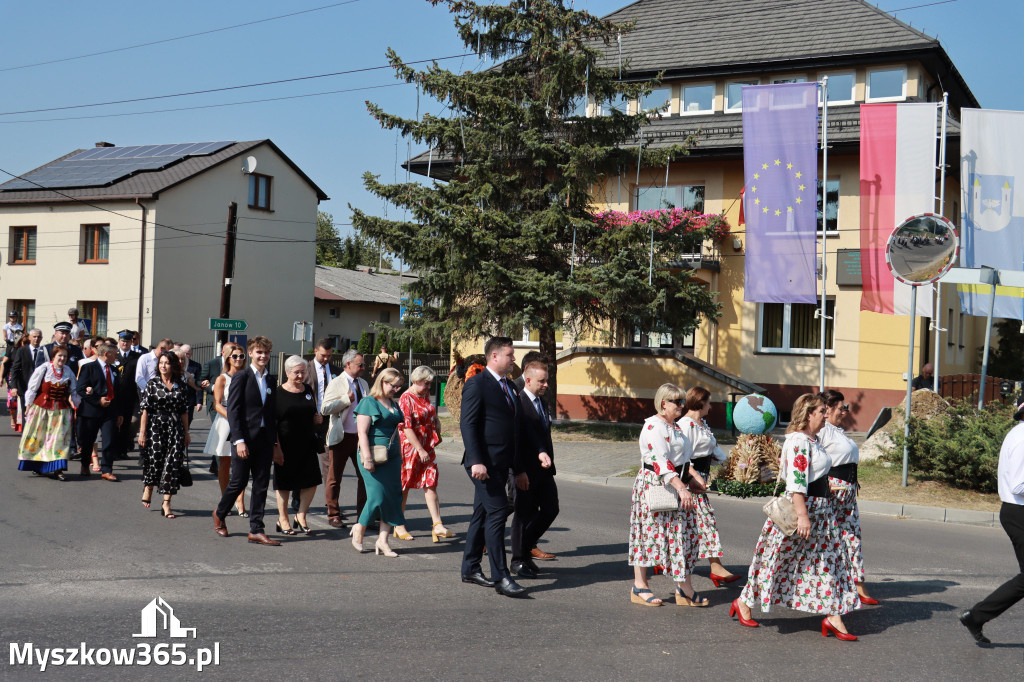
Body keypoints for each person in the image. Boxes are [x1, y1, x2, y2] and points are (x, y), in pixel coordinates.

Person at [730, 393, 860, 640]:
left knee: (829, 561)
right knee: (776, 559)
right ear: (808, 414)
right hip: (803, 510)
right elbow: (797, 483)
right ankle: (744, 601)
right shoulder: (799, 441)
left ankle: (834, 616)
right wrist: (803, 516)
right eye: (822, 411)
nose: (826, 415)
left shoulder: (814, 440)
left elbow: (817, 474)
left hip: (821, 510)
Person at [460, 336, 528, 598]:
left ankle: (469, 567)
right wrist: (476, 460)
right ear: (495, 356)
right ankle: (501, 577)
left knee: (482, 513)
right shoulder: (477, 384)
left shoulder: (509, 386)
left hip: (503, 464)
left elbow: (515, 430)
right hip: (482, 464)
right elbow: (468, 424)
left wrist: (519, 468)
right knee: (498, 511)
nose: (513, 359)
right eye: (510, 355)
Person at [628, 382, 707, 608]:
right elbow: (660, 463)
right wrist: (682, 487)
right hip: (656, 485)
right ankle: (639, 586)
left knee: (684, 536)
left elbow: (682, 460)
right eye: (677, 402)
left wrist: (692, 480)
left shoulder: (675, 426)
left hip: (676, 483)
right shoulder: (654, 427)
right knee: (647, 536)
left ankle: (684, 588)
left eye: (683, 401)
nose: (682, 405)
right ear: (664, 403)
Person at [959, 401, 1024, 645]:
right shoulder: (1022, 438)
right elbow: (1018, 484)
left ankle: (976, 616)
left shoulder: (1018, 433)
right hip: (1019, 513)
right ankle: (976, 616)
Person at [213, 336, 280, 546]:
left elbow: (271, 414)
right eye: (259, 352)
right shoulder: (241, 377)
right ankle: (219, 513)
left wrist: (275, 444)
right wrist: (239, 440)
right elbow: (232, 411)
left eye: (266, 353)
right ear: (250, 353)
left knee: (261, 484)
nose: (263, 356)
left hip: (264, 439)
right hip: (244, 439)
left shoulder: (270, 380)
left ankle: (256, 529)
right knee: (239, 481)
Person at [818, 389, 878, 605]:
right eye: (841, 408)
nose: (844, 412)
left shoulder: (837, 431)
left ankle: (858, 585)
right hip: (833, 492)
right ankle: (827, 586)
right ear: (827, 410)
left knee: (852, 538)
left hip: (848, 492)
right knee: (829, 539)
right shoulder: (822, 432)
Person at [677, 387, 739, 585]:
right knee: (703, 523)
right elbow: (682, 456)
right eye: (709, 403)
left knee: (693, 526)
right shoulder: (685, 425)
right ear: (700, 402)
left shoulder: (701, 424)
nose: (711, 407)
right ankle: (715, 567)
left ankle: (667, 559)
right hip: (690, 480)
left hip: (702, 478)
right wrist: (692, 477)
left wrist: (733, 465)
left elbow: (714, 450)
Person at [510, 360, 559, 578]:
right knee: (523, 515)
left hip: (544, 469)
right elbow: (516, 440)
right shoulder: (517, 402)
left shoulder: (542, 402)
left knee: (551, 509)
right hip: (525, 470)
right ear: (528, 380)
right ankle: (519, 560)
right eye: (542, 381)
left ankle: (525, 547)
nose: (546, 384)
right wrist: (518, 470)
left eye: (547, 380)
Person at [350, 367, 406, 557]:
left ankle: (383, 540)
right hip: (372, 456)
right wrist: (367, 458)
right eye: (392, 385)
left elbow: (396, 430)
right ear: (382, 381)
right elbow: (362, 433)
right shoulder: (368, 402)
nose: (395, 389)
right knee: (377, 497)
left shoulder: (393, 403)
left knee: (392, 498)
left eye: (398, 387)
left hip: (392, 458)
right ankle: (360, 527)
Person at [393, 365, 452, 543]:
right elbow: (406, 427)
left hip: (427, 445)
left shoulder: (424, 395)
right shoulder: (406, 398)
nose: (428, 387)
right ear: (415, 380)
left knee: (431, 482)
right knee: (405, 485)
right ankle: (399, 524)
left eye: (429, 384)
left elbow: (429, 414)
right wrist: (419, 448)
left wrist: (437, 426)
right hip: (411, 446)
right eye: (425, 383)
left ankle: (437, 525)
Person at [271, 356, 324, 535]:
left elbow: (312, 412)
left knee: (312, 481)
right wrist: (276, 447)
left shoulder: (307, 389)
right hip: (285, 445)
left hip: (306, 443)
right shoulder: (278, 393)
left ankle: (301, 515)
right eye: (297, 372)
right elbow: (273, 423)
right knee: (284, 483)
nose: (301, 375)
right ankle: (283, 518)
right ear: (287, 373)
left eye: (303, 372)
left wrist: (318, 419)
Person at [137, 351, 191, 518]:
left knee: (172, 464)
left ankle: (166, 503)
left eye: (167, 362)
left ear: (173, 365)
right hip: (156, 426)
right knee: (155, 459)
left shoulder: (181, 385)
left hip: (175, 428)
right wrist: (142, 433)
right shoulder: (152, 384)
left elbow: (184, 411)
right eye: (161, 362)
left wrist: (187, 432)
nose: (163, 365)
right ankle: (150, 486)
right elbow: (145, 410)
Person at [321, 349, 369, 528]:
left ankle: (364, 515)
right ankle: (333, 514)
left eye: (363, 364)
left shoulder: (363, 383)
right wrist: (345, 400)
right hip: (341, 437)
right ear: (348, 364)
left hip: (360, 437)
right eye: (360, 365)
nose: (363, 368)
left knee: (365, 476)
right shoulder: (336, 383)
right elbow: (325, 409)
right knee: (334, 477)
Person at [17, 346, 80, 480]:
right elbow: (32, 388)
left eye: (65, 356)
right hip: (42, 409)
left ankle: (58, 470)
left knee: (59, 441)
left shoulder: (68, 371)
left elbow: (74, 391)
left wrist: (77, 405)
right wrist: (28, 405)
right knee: (39, 438)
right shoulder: (44, 368)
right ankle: (38, 466)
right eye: (60, 356)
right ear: (53, 356)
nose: (62, 359)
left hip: (61, 411)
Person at [203, 343, 247, 517]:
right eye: (234, 356)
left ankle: (241, 502)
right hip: (227, 421)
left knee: (243, 464)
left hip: (245, 422)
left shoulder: (247, 376)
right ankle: (226, 499)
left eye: (241, 356)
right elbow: (217, 404)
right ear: (228, 358)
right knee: (225, 462)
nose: (238, 359)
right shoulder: (222, 378)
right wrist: (233, 417)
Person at [76, 342, 123, 481]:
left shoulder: (114, 370)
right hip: (92, 411)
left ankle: (107, 469)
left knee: (109, 440)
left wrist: (119, 413)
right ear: (106, 354)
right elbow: (81, 389)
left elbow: (118, 393)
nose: (116, 356)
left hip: (110, 412)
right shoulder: (88, 368)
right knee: (88, 440)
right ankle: (85, 465)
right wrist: (98, 401)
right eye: (115, 353)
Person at [304, 339, 335, 509]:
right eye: (323, 355)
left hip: (328, 423)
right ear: (315, 351)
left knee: (329, 465)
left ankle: (330, 503)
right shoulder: (304, 369)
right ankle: (297, 498)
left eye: (329, 356)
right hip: (308, 422)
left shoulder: (335, 371)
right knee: (303, 461)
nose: (326, 359)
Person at [8, 328, 46, 432]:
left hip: (40, 388)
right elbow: (15, 369)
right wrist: (14, 386)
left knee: (39, 412)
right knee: (27, 412)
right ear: (29, 337)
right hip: (24, 386)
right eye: (34, 336)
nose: (36, 339)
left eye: (39, 337)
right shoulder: (22, 351)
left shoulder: (44, 351)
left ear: (41, 338)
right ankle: (26, 434)